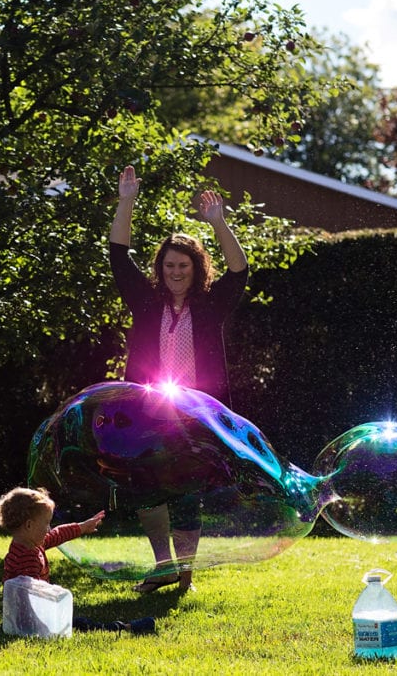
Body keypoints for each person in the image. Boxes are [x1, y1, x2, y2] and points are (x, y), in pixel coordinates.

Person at [109, 164, 248, 593]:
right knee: (148, 488)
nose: (175, 271)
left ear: (196, 268)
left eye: (183, 265)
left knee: (188, 493)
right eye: (169, 264)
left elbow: (240, 270)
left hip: (195, 412)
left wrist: (219, 223)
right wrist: (127, 201)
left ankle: (185, 573)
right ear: (161, 267)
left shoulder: (211, 306)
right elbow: (117, 254)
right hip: (149, 408)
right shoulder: (146, 303)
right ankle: (163, 565)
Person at [0, 486, 155, 635]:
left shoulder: (27, 544)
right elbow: (31, 599)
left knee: (76, 621)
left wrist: (82, 527)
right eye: (46, 523)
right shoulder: (27, 558)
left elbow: (56, 535)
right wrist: (44, 624)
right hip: (32, 620)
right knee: (83, 624)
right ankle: (124, 628)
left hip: (26, 617)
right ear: (29, 525)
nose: (48, 529)